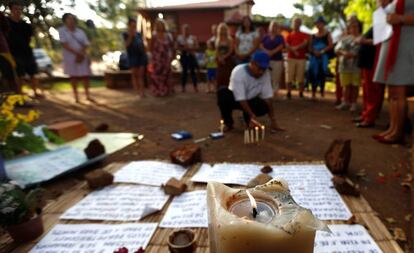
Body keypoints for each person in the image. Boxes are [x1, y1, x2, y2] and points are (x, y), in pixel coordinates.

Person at [372, 0, 414, 144]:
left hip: (406, 43)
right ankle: (393, 128)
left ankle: (398, 132)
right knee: (393, 93)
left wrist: (401, 19)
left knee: (399, 89)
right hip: (392, 43)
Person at [216, 50, 284, 132]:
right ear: (252, 63)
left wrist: (273, 121)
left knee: (264, 107)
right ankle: (228, 123)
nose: (262, 72)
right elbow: (241, 98)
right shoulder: (238, 72)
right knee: (222, 93)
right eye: (260, 68)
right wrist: (252, 115)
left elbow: (268, 98)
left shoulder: (266, 73)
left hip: (251, 99)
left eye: (264, 69)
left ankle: (248, 120)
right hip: (235, 98)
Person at [6, 0, 41, 97]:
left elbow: (29, 38)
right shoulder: (5, 23)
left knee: (33, 72)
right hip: (13, 52)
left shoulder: (26, 25)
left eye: (20, 9)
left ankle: (35, 92)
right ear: (11, 10)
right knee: (19, 74)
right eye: (16, 9)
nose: (18, 11)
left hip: (27, 52)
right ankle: (19, 94)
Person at [354, 26, 384, 127]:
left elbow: (380, 41)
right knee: (366, 90)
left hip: (372, 61)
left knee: (373, 91)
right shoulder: (377, 22)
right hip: (366, 62)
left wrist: (364, 41)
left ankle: (370, 118)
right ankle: (365, 114)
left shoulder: (386, 21)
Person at [59, 13, 92, 103]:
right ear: (65, 20)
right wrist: (77, 53)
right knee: (73, 77)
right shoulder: (62, 31)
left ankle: (87, 95)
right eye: (69, 19)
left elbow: (86, 43)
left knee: (85, 76)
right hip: (70, 57)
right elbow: (64, 44)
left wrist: (81, 53)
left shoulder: (80, 31)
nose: (71, 20)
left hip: (82, 56)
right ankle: (76, 96)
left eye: (72, 18)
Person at [335, 18, 362, 112]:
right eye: (351, 27)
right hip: (344, 66)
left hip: (356, 67)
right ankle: (345, 102)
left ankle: (354, 103)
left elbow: (357, 53)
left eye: (355, 26)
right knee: (346, 85)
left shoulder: (362, 38)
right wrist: (344, 53)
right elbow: (337, 49)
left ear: (359, 27)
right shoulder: (345, 39)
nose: (353, 29)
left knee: (355, 86)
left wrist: (347, 54)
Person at [308, 16, 333, 99]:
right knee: (312, 73)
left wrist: (322, 51)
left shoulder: (327, 34)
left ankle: (322, 92)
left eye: (320, 23)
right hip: (314, 58)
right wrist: (315, 52)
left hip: (323, 58)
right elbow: (310, 47)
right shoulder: (313, 35)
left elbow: (330, 45)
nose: (319, 25)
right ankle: (313, 92)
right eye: (317, 23)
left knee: (322, 73)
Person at [123, 17, 147, 97]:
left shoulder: (139, 34)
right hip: (132, 57)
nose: (134, 28)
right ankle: (137, 92)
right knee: (134, 75)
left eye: (135, 26)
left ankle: (142, 92)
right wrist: (131, 36)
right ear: (129, 26)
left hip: (141, 56)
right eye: (132, 26)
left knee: (141, 74)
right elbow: (126, 45)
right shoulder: (125, 34)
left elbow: (142, 45)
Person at [285, 17, 309, 99]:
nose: (296, 24)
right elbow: (286, 45)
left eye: (298, 22)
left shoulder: (304, 35)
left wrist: (295, 48)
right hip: (291, 58)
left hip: (301, 58)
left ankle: (301, 93)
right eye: (295, 22)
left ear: (300, 24)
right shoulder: (289, 35)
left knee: (301, 76)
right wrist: (294, 50)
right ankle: (288, 93)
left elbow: (305, 43)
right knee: (289, 76)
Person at [149, 19, 174, 97]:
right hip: (157, 59)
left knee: (166, 74)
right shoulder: (154, 35)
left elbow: (172, 46)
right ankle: (157, 91)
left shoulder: (168, 35)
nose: (160, 26)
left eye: (161, 24)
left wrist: (172, 56)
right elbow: (150, 47)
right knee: (157, 75)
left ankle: (166, 90)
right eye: (158, 24)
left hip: (165, 59)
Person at [260, 21, 285, 97]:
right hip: (266, 60)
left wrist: (272, 52)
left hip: (277, 60)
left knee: (276, 76)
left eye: (275, 26)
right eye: (272, 26)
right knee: (267, 76)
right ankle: (267, 92)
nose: (273, 28)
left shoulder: (280, 37)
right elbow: (260, 45)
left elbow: (281, 46)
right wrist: (267, 52)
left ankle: (275, 92)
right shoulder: (266, 37)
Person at [176, 24, 199, 93]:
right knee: (184, 72)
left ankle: (195, 87)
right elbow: (176, 47)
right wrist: (184, 48)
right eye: (184, 30)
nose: (186, 31)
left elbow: (197, 46)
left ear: (189, 30)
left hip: (191, 56)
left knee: (193, 72)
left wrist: (191, 48)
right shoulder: (179, 38)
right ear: (182, 30)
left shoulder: (193, 38)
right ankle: (183, 87)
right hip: (184, 56)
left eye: (187, 29)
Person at [0, 12, 17, 93]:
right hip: (3, 49)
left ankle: (15, 99)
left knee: (10, 75)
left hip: (3, 50)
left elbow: (6, 27)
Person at [215, 22, 235, 91]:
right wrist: (220, 58)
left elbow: (231, 50)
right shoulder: (217, 40)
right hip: (220, 61)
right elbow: (217, 50)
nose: (222, 31)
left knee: (227, 76)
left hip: (228, 60)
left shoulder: (230, 39)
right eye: (221, 29)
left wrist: (224, 57)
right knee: (220, 76)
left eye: (224, 29)